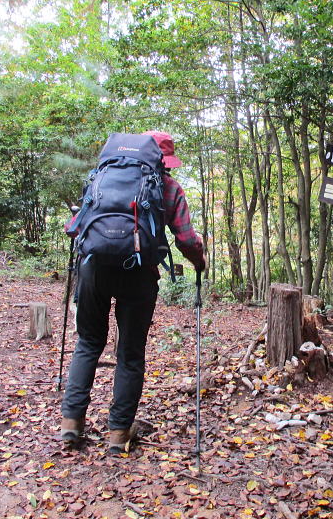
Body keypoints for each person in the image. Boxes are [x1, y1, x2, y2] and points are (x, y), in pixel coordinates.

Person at [60, 130, 206, 454]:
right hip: (138, 275)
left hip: (93, 268)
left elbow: (74, 228)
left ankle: (71, 424)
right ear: (164, 160)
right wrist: (200, 260)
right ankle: (118, 434)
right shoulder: (168, 188)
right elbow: (185, 239)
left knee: (87, 343)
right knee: (129, 354)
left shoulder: (102, 175)